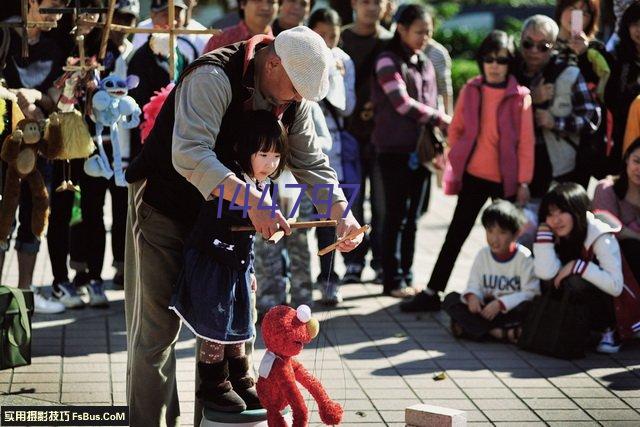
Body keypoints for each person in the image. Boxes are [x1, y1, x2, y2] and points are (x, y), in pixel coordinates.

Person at [123, 27, 363, 426]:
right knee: (157, 336)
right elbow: (190, 154)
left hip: (225, 228)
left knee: (229, 329)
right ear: (272, 63)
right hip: (167, 210)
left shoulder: (292, 97)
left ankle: (214, 419)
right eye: (295, 88)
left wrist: (342, 212)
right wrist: (254, 202)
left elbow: (310, 163)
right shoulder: (212, 77)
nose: (299, 99)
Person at [402, 30, 534, 312]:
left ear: (510, 63)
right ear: (481, 61)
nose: (495, 65)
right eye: (489, 59)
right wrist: (455, 156)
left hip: (506, 182)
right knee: (456, 234)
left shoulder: (520, 96)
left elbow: (526, 143)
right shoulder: (473, 89)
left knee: (511, 239)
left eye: (501, 59)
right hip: (474, 176)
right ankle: (433, 290)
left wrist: (523, 180)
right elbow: (457, 127)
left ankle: (516, 297)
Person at [170, 110, 286, 412]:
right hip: (212, 262)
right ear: (244, 150)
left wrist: (252, 267)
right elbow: (230, 217)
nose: (270, 163)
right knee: (216, 328)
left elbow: (252, 235)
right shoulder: (229, 179)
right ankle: (213, 385)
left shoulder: (267, 186)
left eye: (276, 156)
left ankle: (241, 380)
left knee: (240, 325)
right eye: (263, 154)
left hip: (237, 265)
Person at [371, 4, 449, 298]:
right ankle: (392, 280)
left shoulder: (425, 62)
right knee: (395, 216)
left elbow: (432, 100)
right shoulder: (387, 60)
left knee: (414, 218)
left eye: (428, 32)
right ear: (401, 29)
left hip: (421, 152)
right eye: (419, 32)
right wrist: (440, 119)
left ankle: (408, 275)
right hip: (393, 150)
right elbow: (402, 103)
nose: (425, 38)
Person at [0, 0, 67, 314]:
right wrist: (17, 99)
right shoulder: (4, 37)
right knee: (2, 219)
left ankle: (24, 296)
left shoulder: (55, 47)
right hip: (4, 144)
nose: (55, 16)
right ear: (30, 3)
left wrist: (38, 97)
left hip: (40, 146)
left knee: (34, 217)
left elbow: (56, 95)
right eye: (51, 7)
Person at [535, 182, 624, 353]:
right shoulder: (551, 230)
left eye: (562, 212)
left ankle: (609, 330)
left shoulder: (600, 234)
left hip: (612, 304)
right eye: (550, 214)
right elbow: (545, 273)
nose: (556, 220)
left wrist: (578, 266)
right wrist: (544, 238)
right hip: (576, 304)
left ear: (578, 210)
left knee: (575, 280)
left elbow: (616, 286)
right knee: (550, 281)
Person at [340, 0, 392, 284]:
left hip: (382, 137)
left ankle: (382, 262)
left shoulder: (391, 40)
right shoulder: (342, 37)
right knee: (351, 201)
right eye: (365, 1)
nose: (371, 7)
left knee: (383, 205)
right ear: (354, 4)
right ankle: (353, 261)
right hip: (348, 136)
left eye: (377, 1)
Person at [309, 7, 356, 304]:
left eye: (333, 36)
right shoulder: (304, 54)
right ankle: (292, 279)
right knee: (297, 214)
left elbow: (348, 106)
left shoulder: (344, 61)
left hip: (333, 144)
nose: (327, 42)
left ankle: (328, 278)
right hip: (304, 139)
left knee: (330, 212)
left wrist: (335, 79)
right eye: (320, 35)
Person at [443, 200, 539, 342]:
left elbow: (531, 292)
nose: (494, 238)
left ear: (516, 234)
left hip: (509, 311)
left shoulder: (524, 258)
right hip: (486, 311)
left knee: (531, 309)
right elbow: (474, 284)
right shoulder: (483, 255)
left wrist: (501, 303)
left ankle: (474, 330)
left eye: (502, 232)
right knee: (451, 299)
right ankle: (500, 333)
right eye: (490, 231)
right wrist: (473, 297)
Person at [555, 0, 615, 185]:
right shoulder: (543, 44)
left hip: (583, 138)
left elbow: (607, 91)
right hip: (549, 132)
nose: (577, 15)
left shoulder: (596, 50)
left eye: (585, 13)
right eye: (572, 9)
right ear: (561, 10)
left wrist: (583, 55)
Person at [593, 138, 640, 281]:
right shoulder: (606, 188)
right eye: (636, 161)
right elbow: (609, 227)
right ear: (626, 159)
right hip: (614, 263)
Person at [606, 1, 640, 170]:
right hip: (623, 130)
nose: (639, 30)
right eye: (634, 24)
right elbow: (610, 96)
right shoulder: (616, 56)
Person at [132, 0, 209, 64]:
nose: (173, 22)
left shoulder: (203, 35)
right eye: (166, 15)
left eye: (177, 15)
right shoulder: (143, 30)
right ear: (153, 15)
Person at [204, 0, 278, 53]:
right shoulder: (220, 40)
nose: (265, 7)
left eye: (271, 2)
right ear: (242, 3)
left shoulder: (281, 44)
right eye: (257, 1)